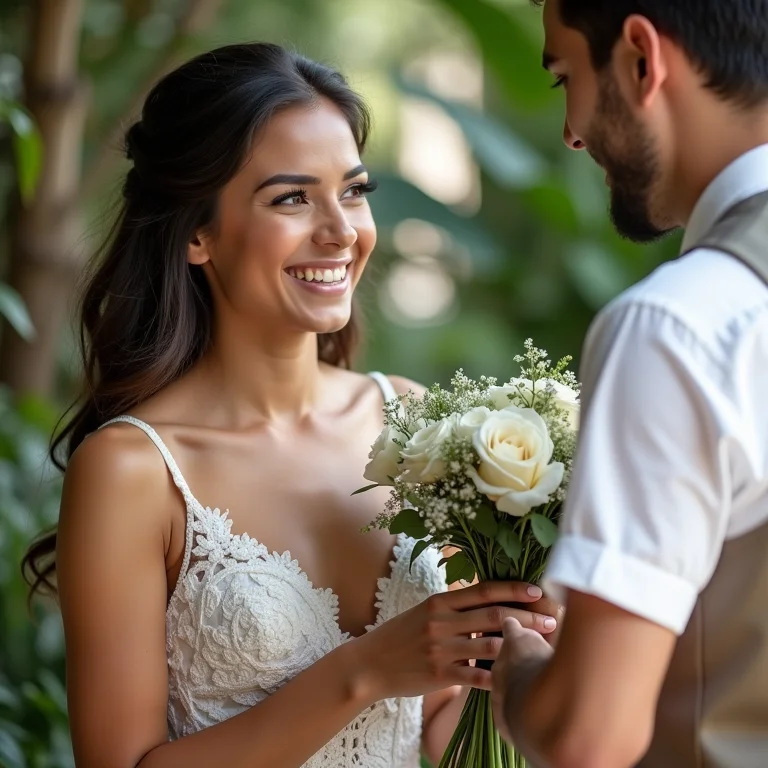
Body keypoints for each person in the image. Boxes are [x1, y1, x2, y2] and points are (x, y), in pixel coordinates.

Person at [21, 42, 562, 768]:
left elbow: (442, 723)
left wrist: (520, 654)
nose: (341, 230)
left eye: (354, 190)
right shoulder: (132, 471)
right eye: (292, 197)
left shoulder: (412, 422)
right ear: (197, 234)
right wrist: (365, 670)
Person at [491, 1, 768, 767]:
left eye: (565, 77)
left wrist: (521, 675)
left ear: (642, 60)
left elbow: (590, 735)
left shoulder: (678, 326)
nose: (572, 132)